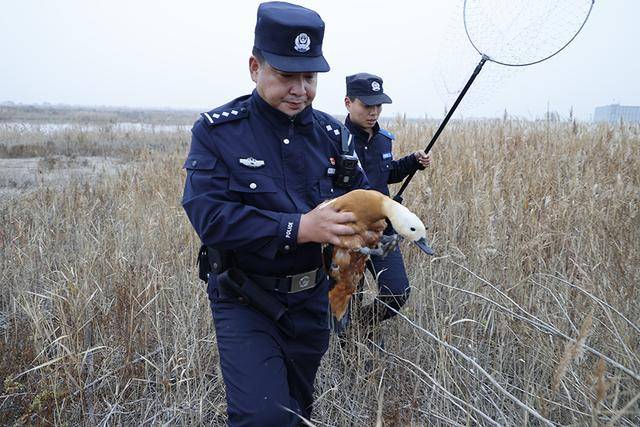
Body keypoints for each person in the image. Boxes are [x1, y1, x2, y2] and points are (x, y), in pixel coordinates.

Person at [181, 2, 368, 425]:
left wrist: (371, 228)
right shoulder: (216, 132)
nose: (300, 89)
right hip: (245, 297)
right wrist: (299, 227)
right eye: (286, 76)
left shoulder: (334, 135)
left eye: (309, 77)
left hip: (311, 300)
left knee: (297, 412)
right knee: (262, 417)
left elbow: (355, 202)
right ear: (254, 67)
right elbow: (209, 216)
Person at [343, 72, 432, 325]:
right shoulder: (336, 140)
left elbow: (386, 173)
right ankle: (349, 347)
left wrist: (413, 162)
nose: (374, 112)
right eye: (367, 105)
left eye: (378, 106)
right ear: (348, 103)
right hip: (347, 232)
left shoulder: (383, 141)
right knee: (349, 297)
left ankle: (363, 327)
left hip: (382, 230)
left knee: (397, 291)